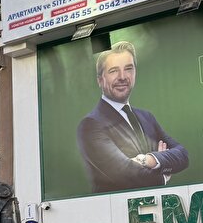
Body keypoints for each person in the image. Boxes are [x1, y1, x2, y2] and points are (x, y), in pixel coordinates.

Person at [76, 40, 188, 193]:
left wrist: (147, 159)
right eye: (113, 70)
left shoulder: (147, 117)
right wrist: (161, 175)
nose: (122, 77)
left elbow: (182, 155)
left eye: (128, 69)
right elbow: (123, 174)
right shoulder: (90, 125)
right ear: (100, 80)